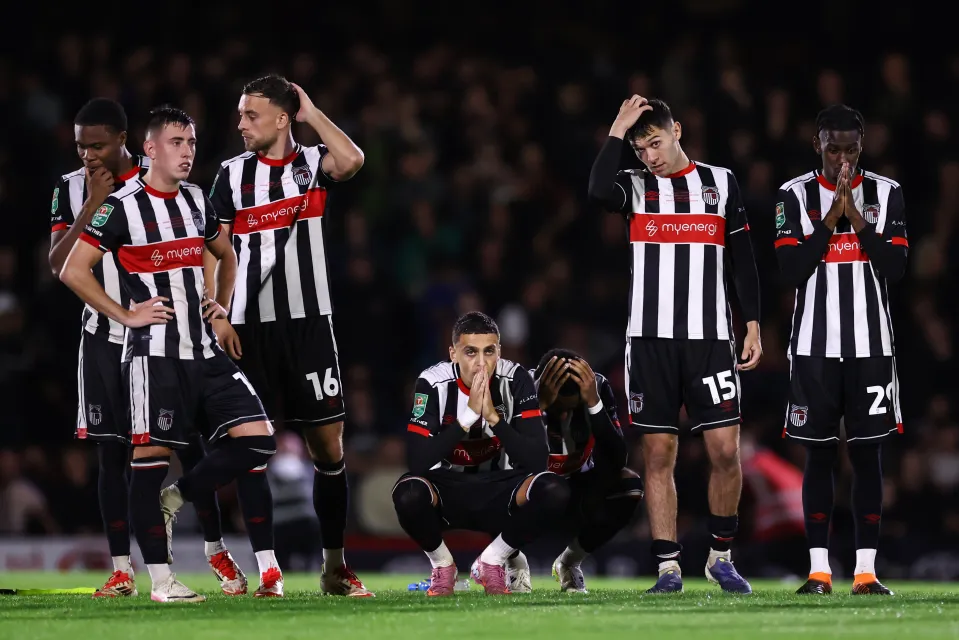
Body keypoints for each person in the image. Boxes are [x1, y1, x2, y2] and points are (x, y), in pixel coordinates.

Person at [60, 106, 277, 602]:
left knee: (259, 439)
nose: (187, 152)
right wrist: (126, 314)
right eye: (178, 142)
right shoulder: (122, 206)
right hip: (153, 353)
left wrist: (218, 309)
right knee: (147, 458)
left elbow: (226, 254)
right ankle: (160, 581)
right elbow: (73, 270)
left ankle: (176, 499)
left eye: (193, 143)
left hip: (204, 350)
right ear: (151, 148)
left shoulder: (199, 200)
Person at [587, 96, 762, 594]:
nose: (650, 156)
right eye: (641, 149)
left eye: (656, 143)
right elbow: (597, 191)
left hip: (710, 338)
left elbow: (742, 260)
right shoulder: (635, 186)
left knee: (725, 450)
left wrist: (751, 325)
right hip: (649, 341)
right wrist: (617, 128)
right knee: (659, 453)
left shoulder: (720, 183)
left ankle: (721, 557)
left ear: (678, 131)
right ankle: (668, 566)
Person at [206, 73, 371, 597]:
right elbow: (216, 250)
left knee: (328, 447)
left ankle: (334, 566)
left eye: (251, 115)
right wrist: (219, 313)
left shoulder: (311, 163)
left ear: (282, 118)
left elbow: (352, 161)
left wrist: (312, 110)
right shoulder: (231, 176)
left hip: (308, 326)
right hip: (247, 328)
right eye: (239, 114)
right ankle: (268, 570)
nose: (241, 124)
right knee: (249, 446)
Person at [774, 104, 905, 596]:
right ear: (817, 146)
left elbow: (895, 268)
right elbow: (791, 271)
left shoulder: (887, 193)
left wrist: (861, 223)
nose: (843, 160)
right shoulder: (794, 196)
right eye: (833, 149)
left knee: (868, 456)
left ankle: (866, 572)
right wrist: (833, 219)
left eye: (851, 149)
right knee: (819, 457)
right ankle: (819, 571)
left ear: (862, 145)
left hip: (872, 347)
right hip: (813, 347)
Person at [391, 311, 569, 596]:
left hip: (503, 488)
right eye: (470, 352)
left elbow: (537, 460)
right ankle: (443, 567)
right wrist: (468, 417)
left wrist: (494, 419)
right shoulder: (432, 382)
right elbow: (417, 462)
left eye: (489, 351)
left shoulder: (516, 379)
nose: (481, 362)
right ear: (453, 353)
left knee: (555, 490)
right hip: (447, 489)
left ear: (499, 351)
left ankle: (492, 559)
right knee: (408, 493)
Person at [536, 350, 644, 593]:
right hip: (530, 493)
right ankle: (510, 561)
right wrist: (538, 408)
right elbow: (505, 461)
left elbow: (618, 459)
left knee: (629, 486)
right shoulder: (519, 389)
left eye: (571, 409)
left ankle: (569, 563)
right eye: (557, 408)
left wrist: (594, 404)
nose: (564, 416)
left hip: (576, 491)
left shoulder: (597, 389)